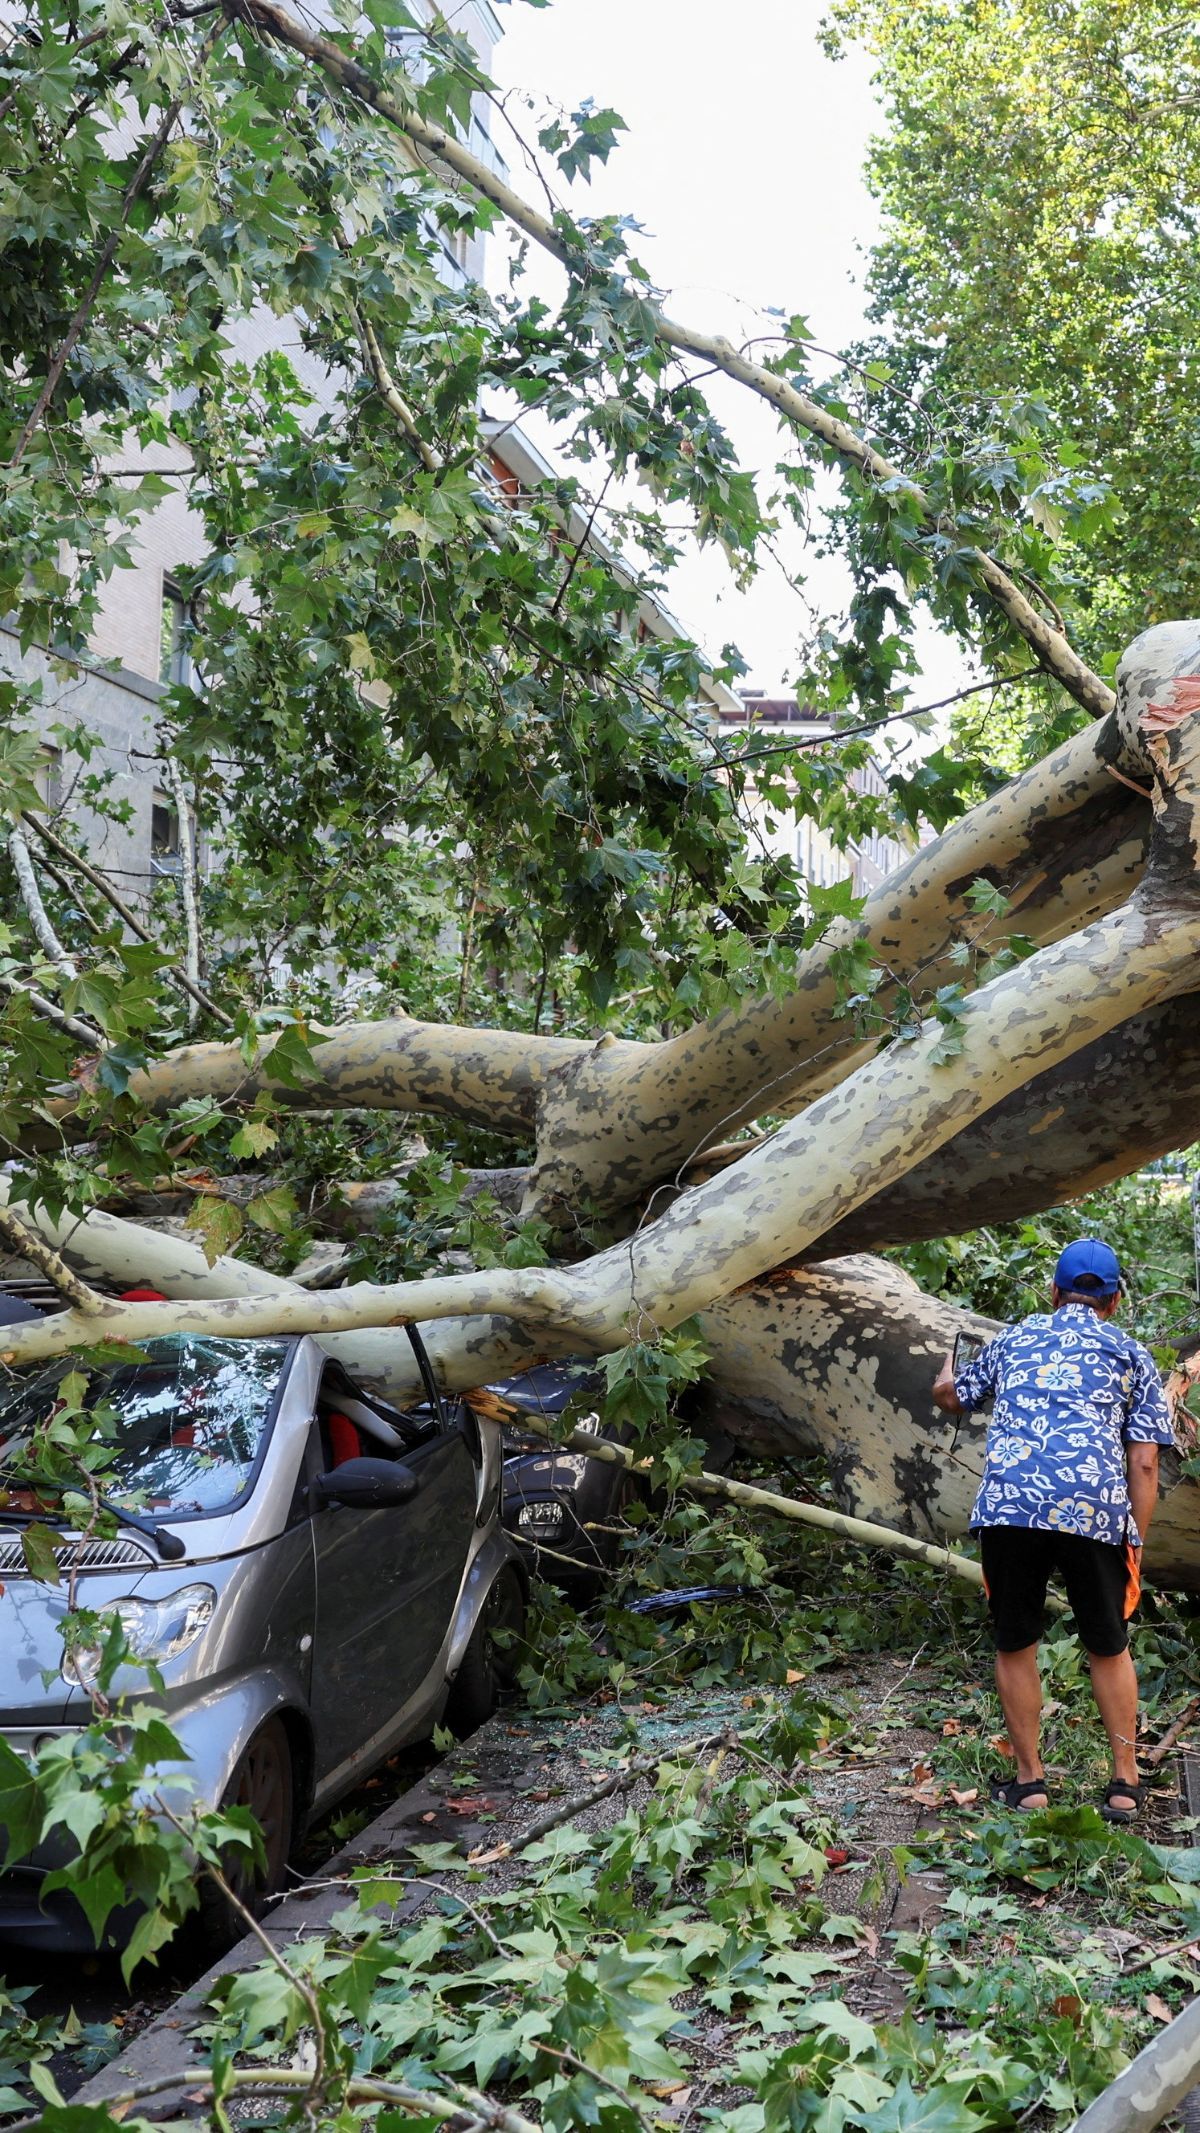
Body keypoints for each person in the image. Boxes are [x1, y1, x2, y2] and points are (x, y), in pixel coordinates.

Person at [932, 1238, 1173, 1824]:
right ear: (1113, 1300)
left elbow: (951, 1398)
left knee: (1016, 1642)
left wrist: (945, 1374)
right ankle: (1124, 1783)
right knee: (1108, 1645)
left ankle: (1030, 1782)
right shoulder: (1132, 1354)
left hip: (1012, 1510)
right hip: (1093, 1512)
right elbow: (1144, 1463)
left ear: (1054, 1291)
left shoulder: (1013, 1338)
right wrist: (1132, 1539)